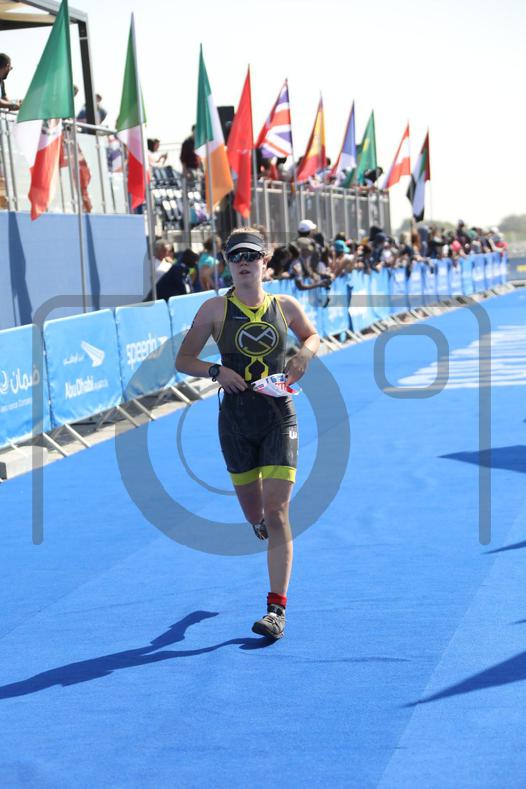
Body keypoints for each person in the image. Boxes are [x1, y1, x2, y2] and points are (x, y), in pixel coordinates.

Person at [175, 227, 320, 640]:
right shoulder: (214, 309)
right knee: (255, 515)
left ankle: (276, 610)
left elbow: (312, 336)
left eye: (251, 256)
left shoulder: (284, 305)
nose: (243, 262)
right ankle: (258, 523)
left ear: (265, 261)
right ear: (227, 262)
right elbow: (183, 359)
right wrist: (216, 370)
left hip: (279, 416)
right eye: (236, 256)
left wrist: (304, 355)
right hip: (236, 422)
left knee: (277, 512)